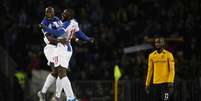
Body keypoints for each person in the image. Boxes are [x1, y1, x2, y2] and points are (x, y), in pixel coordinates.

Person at [41, 9, 94, 101]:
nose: (62, 13)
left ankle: (71, 98)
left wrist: (45, 28)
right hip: (68, 49)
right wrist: (87, 38)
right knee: (60, 73)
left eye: (64, 13)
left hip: (62, 49)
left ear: (68, 15)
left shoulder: (66, 24)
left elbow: (57, 33)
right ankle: (60, 97)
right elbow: (79, 33)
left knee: (61, 73)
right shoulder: (74, 22)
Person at [37, 6, 65, 101]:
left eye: (51, 12)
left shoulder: (57, 19)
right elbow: (49, 38)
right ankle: (55, 96)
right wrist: (59, 40)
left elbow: (63, 30)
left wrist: (63, 39)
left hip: (59, 47)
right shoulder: (43, 23)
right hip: (50, 48)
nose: (49, 13)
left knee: (58, 71)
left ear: (53, 12)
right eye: (47, 12)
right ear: (45, 13)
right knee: (59, 70)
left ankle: (44, 93)